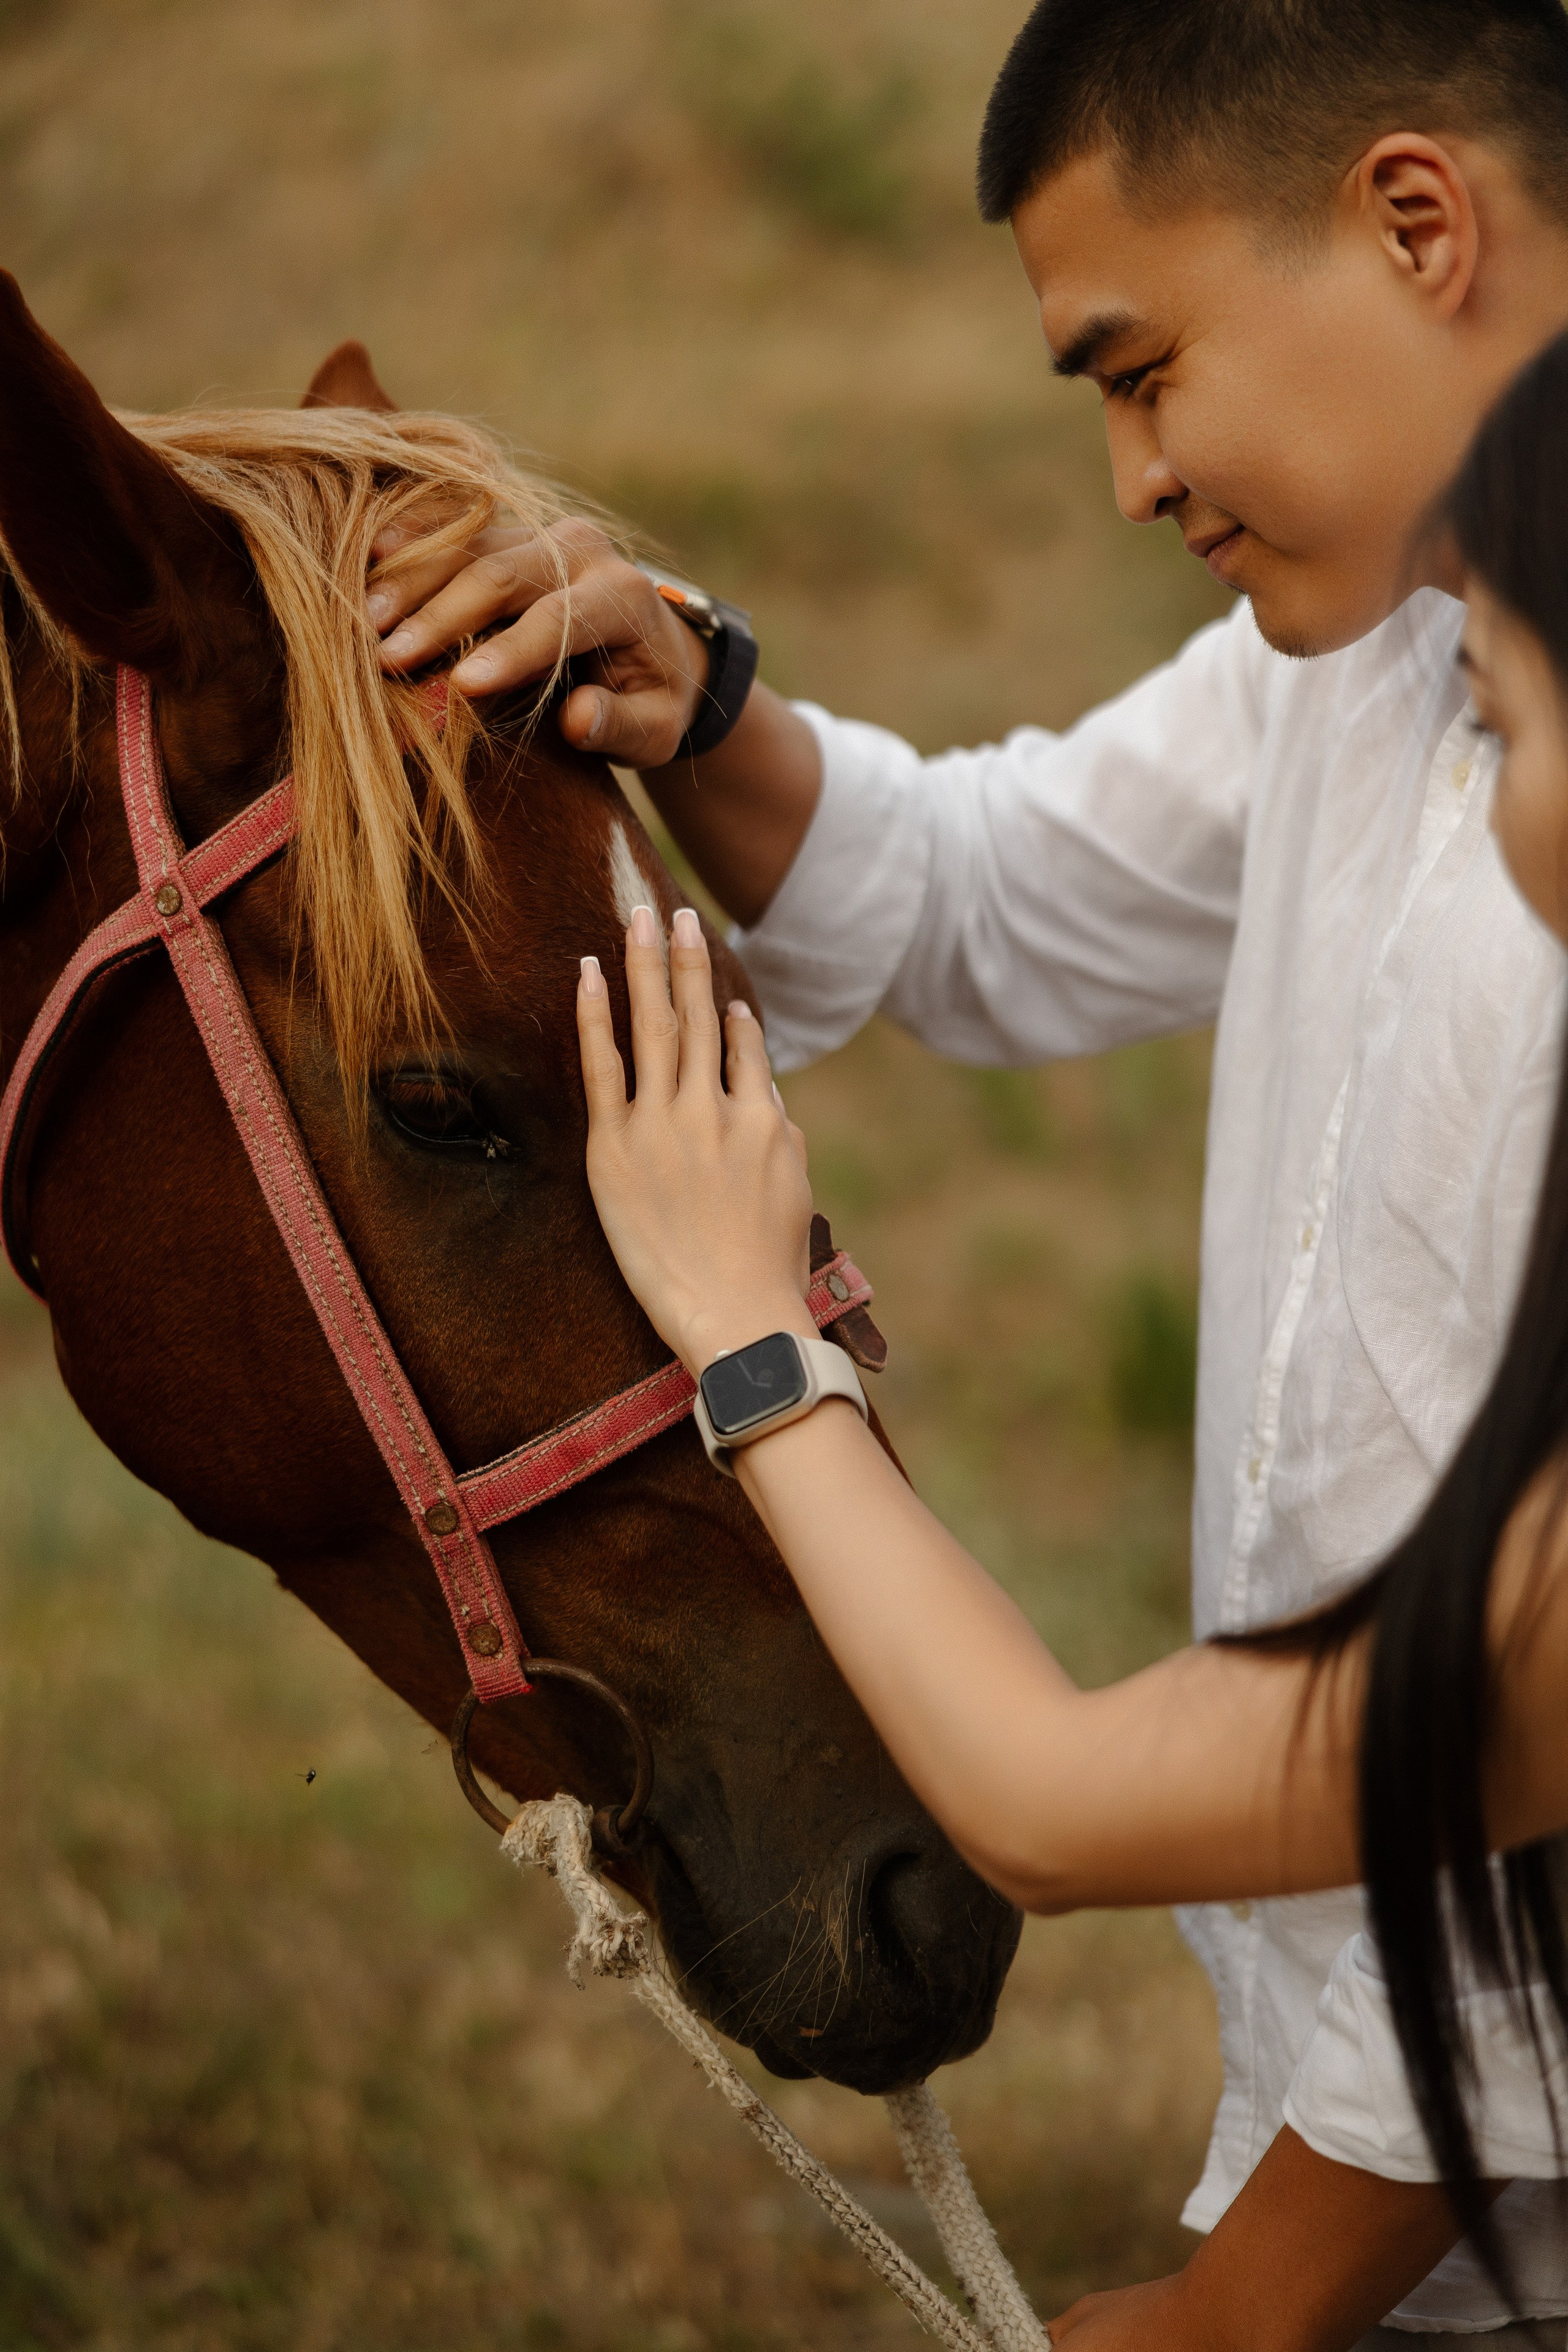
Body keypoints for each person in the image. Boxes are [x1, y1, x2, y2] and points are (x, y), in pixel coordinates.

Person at [367, 0, 1568, 2335]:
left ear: (1417, 225)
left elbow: (1500, 1884)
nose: (1129, 475)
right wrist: (707, 711)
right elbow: (1000, 888)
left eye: (1141, 370)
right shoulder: (1379, 628)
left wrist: (1243, 2316)